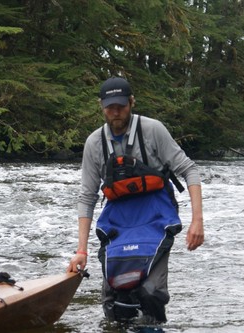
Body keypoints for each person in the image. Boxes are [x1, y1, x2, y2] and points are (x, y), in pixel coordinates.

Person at [66, 77, 204, 323]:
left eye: (121, 105)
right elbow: (87, 197)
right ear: (101, 106)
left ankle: (153, 326)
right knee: (115, 303)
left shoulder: (153, 130)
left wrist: (197, 221)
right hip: (118, 220)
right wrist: (81, 250)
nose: (116, 112)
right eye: (110, 107)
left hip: (157, 216)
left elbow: (189, 170)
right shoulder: (94, 143)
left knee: (150, 293)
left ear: (132, 102)